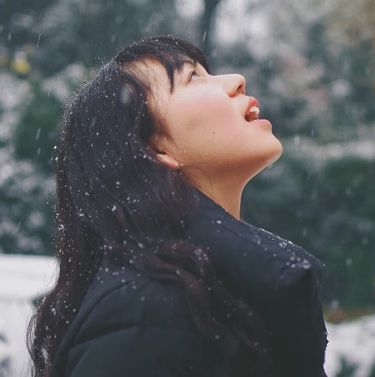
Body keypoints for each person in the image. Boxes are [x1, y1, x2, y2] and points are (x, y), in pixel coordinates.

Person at [26, 34, 329, 377]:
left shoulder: (217, 291)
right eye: (192, 77)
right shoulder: (144, 309)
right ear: (154, 151)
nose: (236, 80)